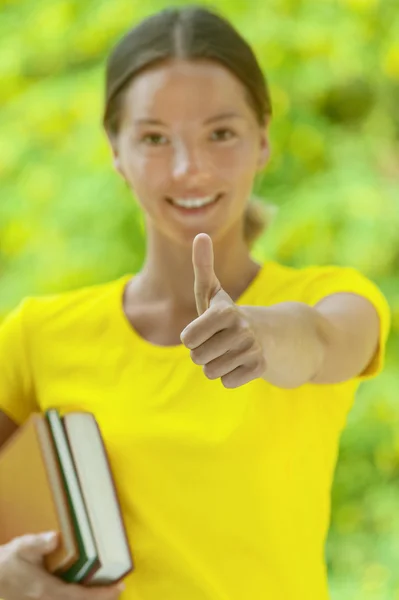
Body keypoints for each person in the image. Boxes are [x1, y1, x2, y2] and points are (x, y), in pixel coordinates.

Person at [0, 5, 391, 600]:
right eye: (155, 138)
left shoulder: (335, 299)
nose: (189, 169)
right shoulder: (35, 336)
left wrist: (262, 337)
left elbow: (318, 341)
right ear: (115, 150)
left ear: (263, 139)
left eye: (221, 133)